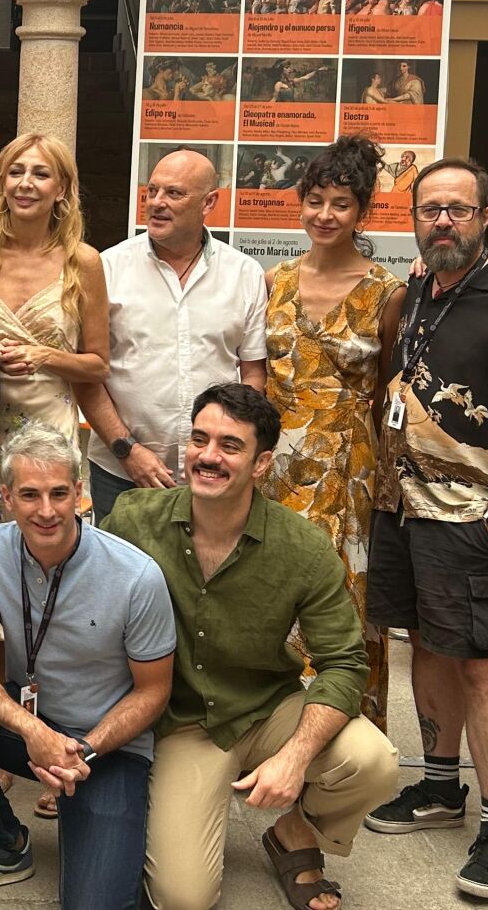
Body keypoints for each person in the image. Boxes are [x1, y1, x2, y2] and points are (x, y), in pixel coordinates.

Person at [74, 384, 396, 910]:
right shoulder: (135, 520)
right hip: (182, 723)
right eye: (199, 439)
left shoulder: (304, 547)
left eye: (230, 445)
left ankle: (295, 832)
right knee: (183, 899)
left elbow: (344, 662)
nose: (208, 456)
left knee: (373, 761)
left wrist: (295, 757)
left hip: (268, 707)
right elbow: (71, 580)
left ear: (261, 463)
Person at [362, 158, 488, 901]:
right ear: (414, 217)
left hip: (471, 519)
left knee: (482, 666)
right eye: (430, 209)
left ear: (486, 216)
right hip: (401, 508)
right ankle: (441, 787)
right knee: (425, 645)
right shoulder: (418, 287)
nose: (443, 220)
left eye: (459, 209)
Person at [0, 425, 174, 909]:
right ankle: (5, 844)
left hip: (107, 747)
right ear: (7, 497)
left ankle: (109, 838)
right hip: (34, 727)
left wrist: (83, 750)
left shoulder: (136, 575)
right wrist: (34, 732)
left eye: (59, 493)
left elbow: (153, 692)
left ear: (79, 493)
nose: (46, 510)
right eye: (30, 494)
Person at [262, 135, 405, 727]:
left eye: (341, 204)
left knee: (344, 595)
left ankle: (348, 732)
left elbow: (389, 391)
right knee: (274, 591)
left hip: (348, 467)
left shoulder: (386, 292)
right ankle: (274, 729)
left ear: (362, 212)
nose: (325, 215)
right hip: (276, 466)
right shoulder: (274, 280)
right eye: (315, 200)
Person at [79, 147, 268, 522]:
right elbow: (87, 374)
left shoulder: (244, 274)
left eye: (174, 193)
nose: (156, 203)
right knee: (120, 561)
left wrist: (227, 450)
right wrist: (127, 449)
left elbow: (253, 375)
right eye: (152, 191)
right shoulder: (107, 268)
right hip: (120, 472)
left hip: (214, 473)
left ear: (208, 202)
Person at [0, 134, 109, 532]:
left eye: (40, 174)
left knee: (47, 532)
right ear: (1, 182)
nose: (25, 183)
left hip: (50, 428)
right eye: (15, 172)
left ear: (61, 189)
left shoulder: (83, 262)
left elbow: (98, 365)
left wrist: (45, 355)